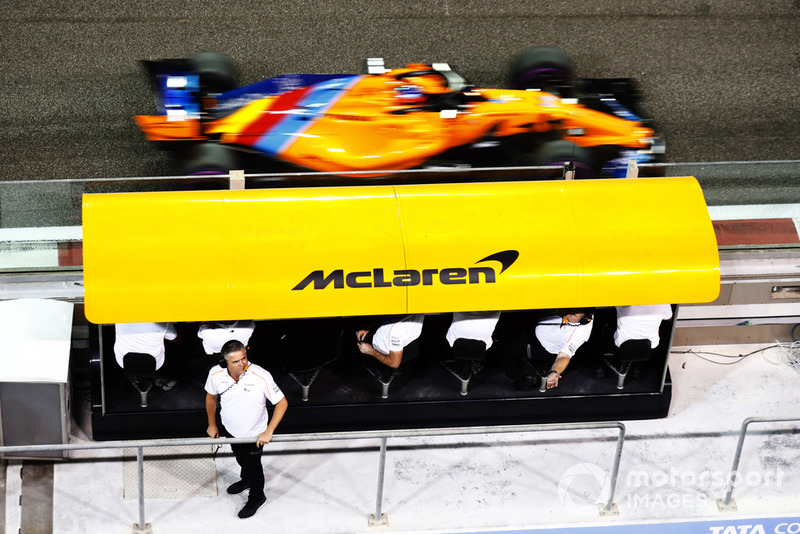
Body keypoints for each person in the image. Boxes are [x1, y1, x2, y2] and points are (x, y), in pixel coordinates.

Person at [205, 340, 288, 519]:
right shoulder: (215, 374)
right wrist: (212, 424)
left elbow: (282, 402)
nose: (242, 364)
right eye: (236, 361)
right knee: (241, 459)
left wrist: (269, 431)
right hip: (231, 430)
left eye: (244, 358)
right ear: (225, 362)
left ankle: (257, 496)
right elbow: (211, 397)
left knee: (253, 466)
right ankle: (247, 480)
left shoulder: (261, 375)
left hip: (254, 435)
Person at [518, 310, 593, 390]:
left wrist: (554, 371)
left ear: (583, 320)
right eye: (570, 310)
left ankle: (522, 379)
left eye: (574, 315)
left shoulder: (579, 334)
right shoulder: (571, 314)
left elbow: (564, 356)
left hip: (540, 346)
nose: (568, 314)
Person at [114, 322, 178, 389]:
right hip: (154, 363)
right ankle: (156, 376)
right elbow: (174, 338)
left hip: (123, 361)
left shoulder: (119, 314)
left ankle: (139, 377)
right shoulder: (161, 318)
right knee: (166, 340)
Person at [356, 314, 425, 369]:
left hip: (382, 348)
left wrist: (369, 350)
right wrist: (368, 326)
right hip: (409, 343)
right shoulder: (418, 307)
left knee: (355, 332)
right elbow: (391, 317)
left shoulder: (396, 330)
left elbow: (394, 363)